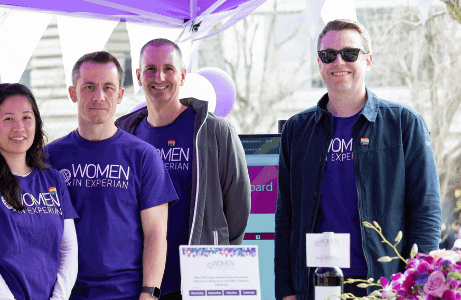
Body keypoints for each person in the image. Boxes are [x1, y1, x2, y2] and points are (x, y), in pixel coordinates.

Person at [274, 19, 441, 300]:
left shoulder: (403, 123)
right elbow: (286, 216)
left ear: (368, 61)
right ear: (319, 63)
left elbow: (426, 210)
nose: (339, 61)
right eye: (329, 55)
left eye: (350, 53)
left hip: (384, 286)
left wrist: (420, 285)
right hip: (315, 284)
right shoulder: (297, 129)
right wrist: (286, 290)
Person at [116, 38, 251, 300]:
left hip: (200, 281)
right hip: (139, 284)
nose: (160, 77)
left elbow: (238, 210)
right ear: (138, 75)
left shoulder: (215, 131)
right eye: (151, 69)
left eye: (168, 68)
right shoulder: (125, 134)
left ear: (183, 75)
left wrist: (213, 255)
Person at [46, 51, 177, 300]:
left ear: (120, 95)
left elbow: (156, 234)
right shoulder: (49, 158)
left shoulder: (144, 157)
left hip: (126, 293)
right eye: (89, 87)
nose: (99, 96)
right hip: (64, 293)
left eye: (108, 87)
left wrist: (149, 294)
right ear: (73, 93)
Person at [0, 83, 79, 300]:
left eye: (27, 118)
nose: (19, 127)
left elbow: (68, 250)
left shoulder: (53, 179)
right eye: (8, 118)